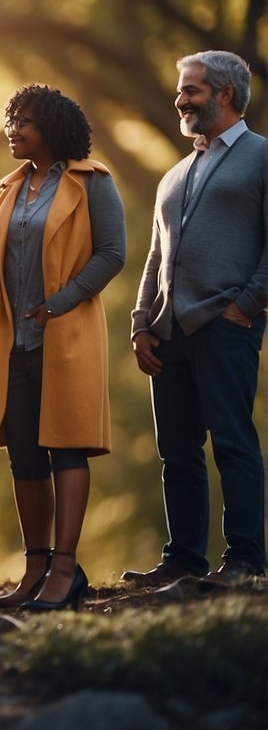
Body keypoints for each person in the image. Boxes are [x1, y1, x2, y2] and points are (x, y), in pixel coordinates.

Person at [0, 85, 126, 612]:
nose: (14, 129)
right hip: (12, 339)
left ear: (52, 129)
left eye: (26, 122)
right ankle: (34, 566)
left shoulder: (91, 182)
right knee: (24, 453)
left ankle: (65, 567)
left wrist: (61, 302)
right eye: (12, 119)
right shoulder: (6, 188)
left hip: (66, 333)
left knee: (66, 446)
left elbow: (111, 254)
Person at [124, 50, 268, 591]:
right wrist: (141, 323)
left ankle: (247, 560)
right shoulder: (176, 172)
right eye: (182, 91)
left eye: (192, 90)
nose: (180, 100)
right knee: (177, 452)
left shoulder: (261, 156)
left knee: (233, 442)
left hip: (226, 325)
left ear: (225, 95)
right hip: (169, 332)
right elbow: (155, 256)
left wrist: (245, 306)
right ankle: (184, 557)